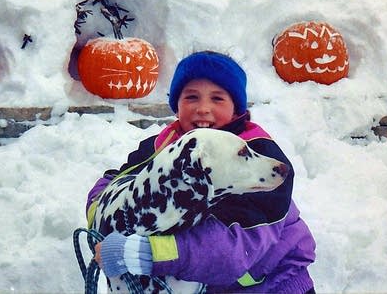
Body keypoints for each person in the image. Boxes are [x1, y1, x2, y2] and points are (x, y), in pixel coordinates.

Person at [85, 51, 316, 293]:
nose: (203, 108)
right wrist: (102, 219)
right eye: (191, 97)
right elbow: (115, 182)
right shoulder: (165, 150)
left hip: (272, 285)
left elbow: (229, 250)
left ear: (237, 108)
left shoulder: (259, 160)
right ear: (176, 106)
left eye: (217, 99)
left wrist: (147, 253)